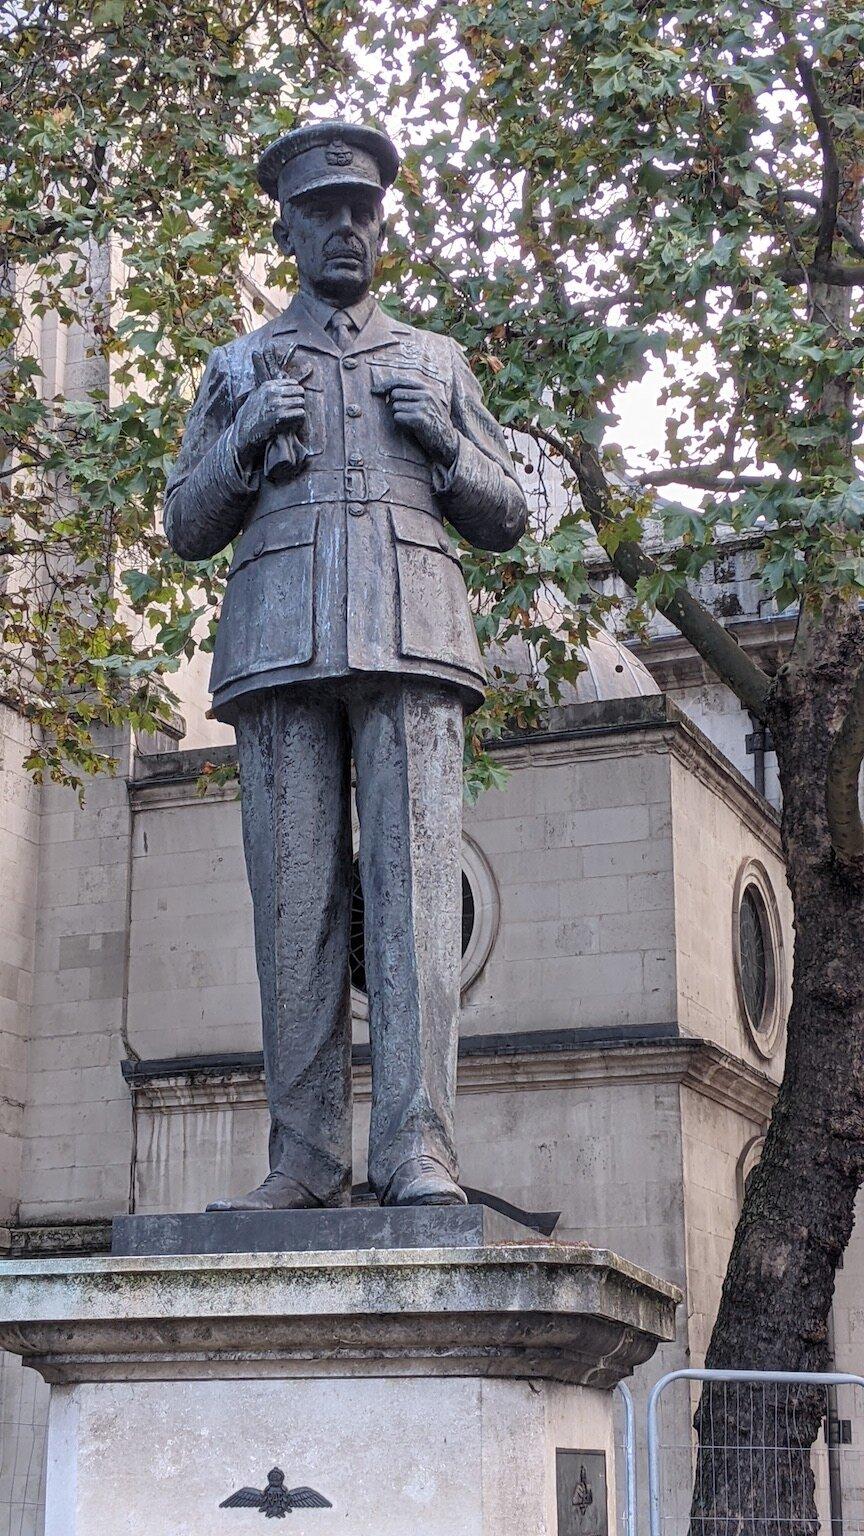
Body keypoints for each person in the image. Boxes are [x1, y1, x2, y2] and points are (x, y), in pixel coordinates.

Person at [164, 120, 527, 1210]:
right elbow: (185, 522)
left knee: (415, 898)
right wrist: (237, 446)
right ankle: (306, 1159)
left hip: (413, 642)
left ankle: (419, 1151)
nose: (346, 232)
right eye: (323, 213)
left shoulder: (435, 362)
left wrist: (451, 446)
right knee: (294, 906)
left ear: (381, 227)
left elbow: (508, 513)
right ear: (287, 227)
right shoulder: (238, 366)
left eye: (361, 213)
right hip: (278, 647)